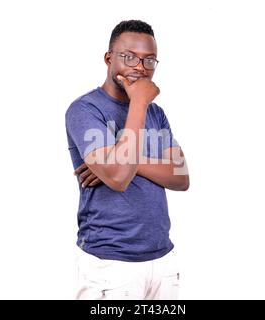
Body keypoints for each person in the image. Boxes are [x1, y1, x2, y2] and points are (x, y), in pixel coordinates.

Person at [65, 20, 190, 300]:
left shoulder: (156, 114)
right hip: (112, 262)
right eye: (129, 56)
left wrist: (119, 162)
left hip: (162, 259)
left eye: (149, 60)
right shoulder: (85, 110)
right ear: (109, 58)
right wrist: (139, 102)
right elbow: (120, 178)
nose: (139, 67)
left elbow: (181, 177)